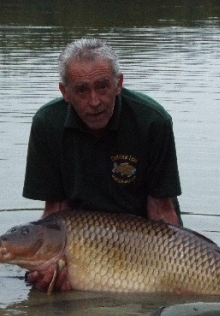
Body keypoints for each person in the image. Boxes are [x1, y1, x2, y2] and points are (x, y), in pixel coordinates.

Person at [23, 38, 182, 291]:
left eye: (102, 87)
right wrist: (48, 266)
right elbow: (56, 209)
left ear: (119, 83)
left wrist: (178, 268)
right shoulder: (47, 124)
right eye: (82, 90)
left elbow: (161, 211)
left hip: (144, 245)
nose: (95, 101)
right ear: (65, 92)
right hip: (79, 242)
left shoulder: (153, 121)